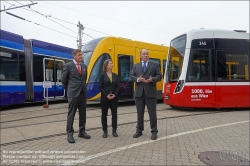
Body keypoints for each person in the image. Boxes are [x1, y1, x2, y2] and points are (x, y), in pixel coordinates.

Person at [130, 49, 162, 140]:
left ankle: (154, 131)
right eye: (143, 54)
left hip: (150, 93)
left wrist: (152, 79)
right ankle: (139, 130)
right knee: (139, 113)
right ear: (140, 56)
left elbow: (159, 76)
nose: (145, 55)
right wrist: (138, 79)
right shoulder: (136, 66)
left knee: (152, 113)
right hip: (139, 94)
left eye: (147, 54)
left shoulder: (155, 65)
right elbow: (131, 76)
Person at [61, 49, 91, 143]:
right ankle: (69, 134)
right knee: (71, 114)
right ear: (74, 56)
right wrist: (70, 89)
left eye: (81, 55)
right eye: (79, 55)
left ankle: (82, 132)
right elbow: (64, 80)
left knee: (83, 114)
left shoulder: (84, 66)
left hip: (82, 93)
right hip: (73, 94)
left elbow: (84, 79)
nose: (81, 56)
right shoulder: (68, 66)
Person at [99, 59, 120, 138]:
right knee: (104, 115)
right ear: (106, 65)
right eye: (110, 63)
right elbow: (100, 86)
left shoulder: (116, 75)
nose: (112, 64)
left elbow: (118, 86)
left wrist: (115, 94)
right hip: (105, 98)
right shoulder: (102, 75)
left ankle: (114, 130)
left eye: (112, 63)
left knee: (114, 115)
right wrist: (106, 95)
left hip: (114, 98)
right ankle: (105, 131)